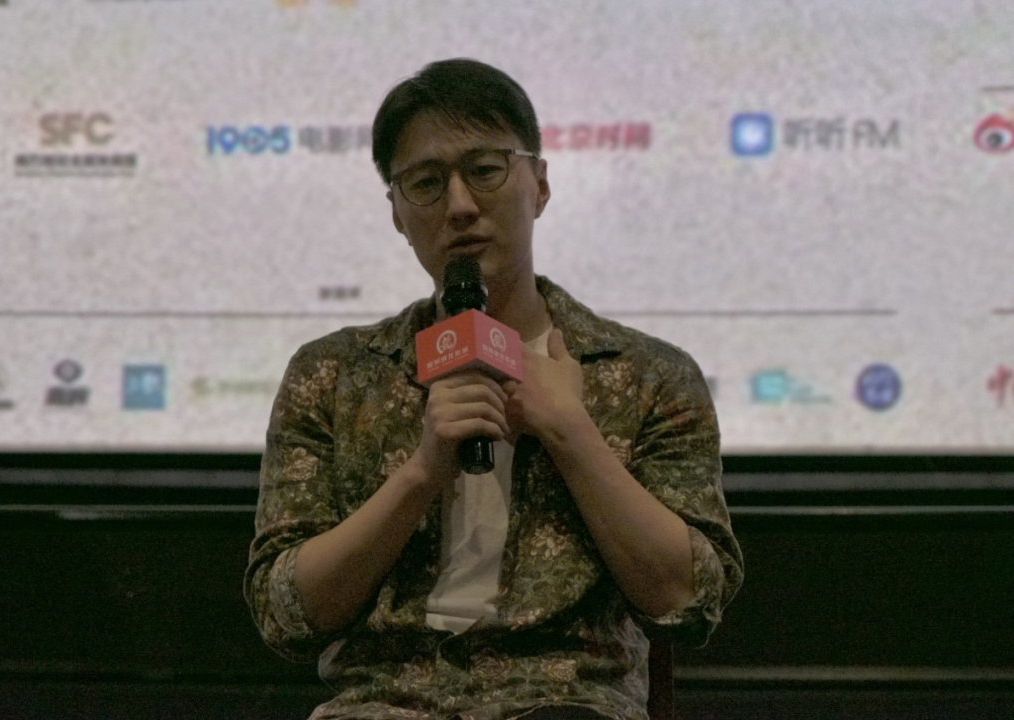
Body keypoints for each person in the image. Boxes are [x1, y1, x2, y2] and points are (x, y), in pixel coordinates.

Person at [245, 58, 743, 720]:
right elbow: (285, 616)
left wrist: (569, 430)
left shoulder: (650, 374)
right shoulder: (333, 374)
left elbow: (691, 601)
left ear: (539, 185)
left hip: (567, 704)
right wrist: (420, 473)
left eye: (484, 170)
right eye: (426, 183)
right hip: (382, 704)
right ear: (396, 213)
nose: (459, 205)